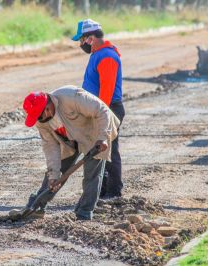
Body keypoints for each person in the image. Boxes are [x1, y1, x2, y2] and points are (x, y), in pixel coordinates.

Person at [22, 85, 120, 220]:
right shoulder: (40, 120)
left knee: (92, 175)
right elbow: (50, 147)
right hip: (69, 140)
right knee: (54, 175)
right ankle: (37, 207)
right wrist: (54, 175)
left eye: (39, 115)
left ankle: (84, 213)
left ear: (48, 108)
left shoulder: (71, 97)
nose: (38, 119)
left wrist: (102, 138)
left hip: (96, 134)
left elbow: (102, 111)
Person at [72, 19, 125, 199]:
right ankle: (101, 190)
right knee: (98, 150)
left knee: (108, 149)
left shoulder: (107, 57)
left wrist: (97, 115)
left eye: (81, 40)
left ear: (91, 38)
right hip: (98, 108)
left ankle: (113, 192)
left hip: (107, 109)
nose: (80, 44)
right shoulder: (97, 53)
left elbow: (106, 93)